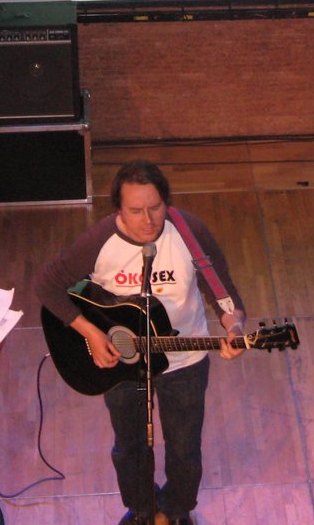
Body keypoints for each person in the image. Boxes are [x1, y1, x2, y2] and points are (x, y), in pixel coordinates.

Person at [34, 160, 248, 525]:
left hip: (185, 362)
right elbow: (47, 285)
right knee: (129, 447)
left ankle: (176, 512)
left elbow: (225, 296)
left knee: (185, 448)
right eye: (135, 211)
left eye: (155, 208)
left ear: (167, 202)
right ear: (118, 209)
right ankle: (142, 512)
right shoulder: (99, 241)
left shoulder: (190, 233)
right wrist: (91, 333)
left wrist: (235, 326)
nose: (148, 220)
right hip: (122, 364)